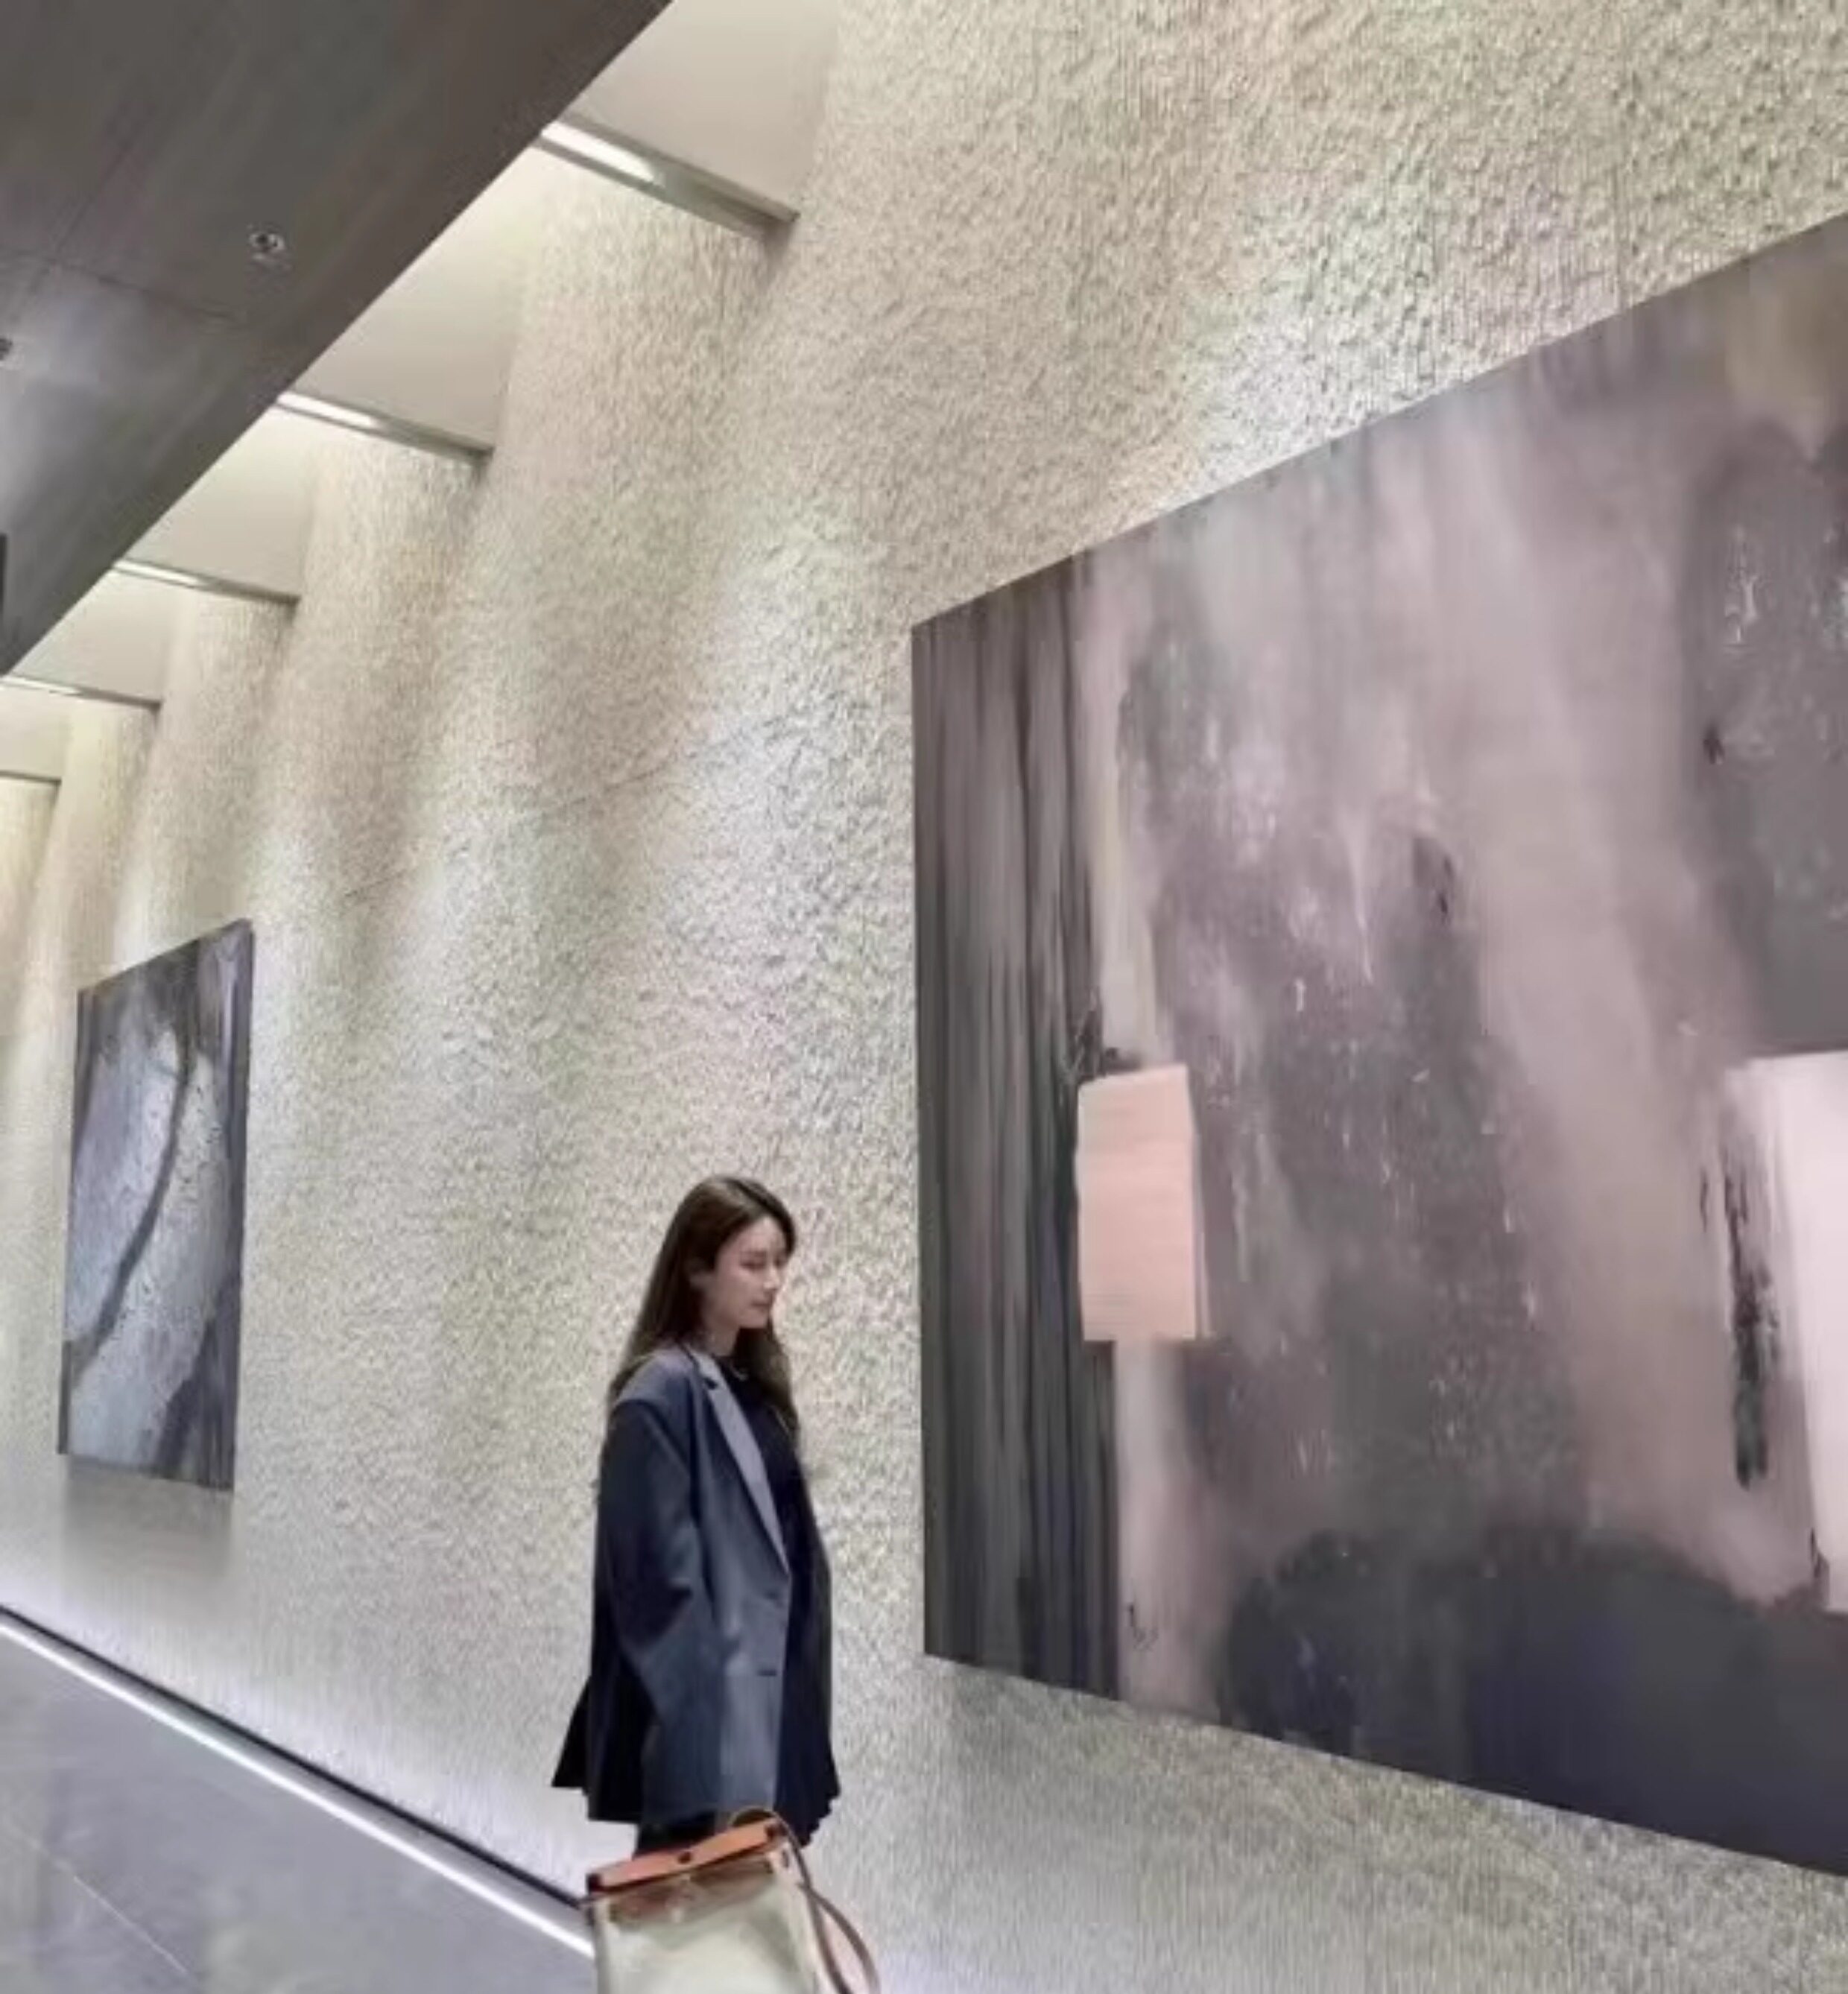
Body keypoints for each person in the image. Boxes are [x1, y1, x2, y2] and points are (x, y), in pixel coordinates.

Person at [554, 1177, 837, 1852]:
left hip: (767, 1711)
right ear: (697, 1270)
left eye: (780, 1262)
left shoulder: (751, 1386)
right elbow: (659, 1596)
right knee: (692, 1910)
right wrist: (705, 1757)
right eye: (753, 1263)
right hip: (707, 1736)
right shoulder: (659, 1398)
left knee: (741, 1907)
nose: (773, 1282)